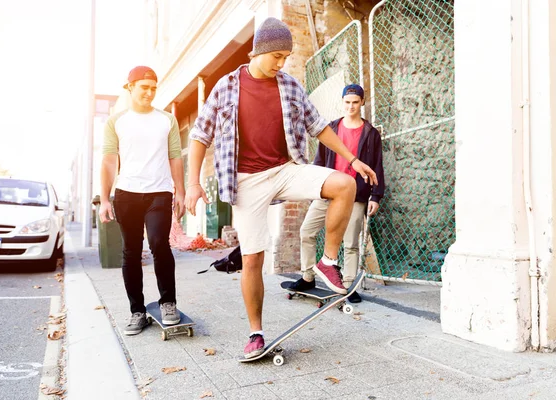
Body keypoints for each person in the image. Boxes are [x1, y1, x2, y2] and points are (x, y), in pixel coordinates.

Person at [184, 18, 378, 359]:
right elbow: (200, 134)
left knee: (345, 183)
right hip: (246, 181)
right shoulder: (227, 86)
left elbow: (319, 127)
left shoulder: (289, 86)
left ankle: (328, 262)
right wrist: (192, 184)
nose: (281, 63)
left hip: (287, 169)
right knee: (253, 258)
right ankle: (256, 333)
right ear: (259, 51)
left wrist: (353, 158)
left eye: (286, 56)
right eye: (276, 55)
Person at [99, 66, 186, 335]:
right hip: (126, 195)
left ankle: (168, 303)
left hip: (159, 192)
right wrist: (104, 199)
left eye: (153, 88)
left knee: (160, 243)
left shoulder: (166, 120)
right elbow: (109, 161)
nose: (149, 93)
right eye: (144, 88)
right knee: (131, 252)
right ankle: (137, 311)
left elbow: (175, 157)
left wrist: (180, 191)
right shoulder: (116, 121)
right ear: (130, 88)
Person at [293, 84, 385, 303]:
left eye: (355, 102)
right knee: (307, 231)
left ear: (362, 102)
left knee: (350, 242)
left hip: (356, 195)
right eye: (347, 102)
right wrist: (313, 187)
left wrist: (375, 196)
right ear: (342, 102)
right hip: (328, 190)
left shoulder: (371, 134)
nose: (351, 107)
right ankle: (307, 277)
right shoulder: (331, 129)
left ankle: (348, 286)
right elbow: (318, 160)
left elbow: (378, 166)